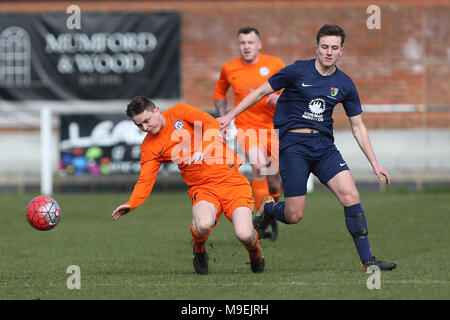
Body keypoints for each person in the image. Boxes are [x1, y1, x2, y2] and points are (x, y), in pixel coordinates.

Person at [218, 24, 396, 271]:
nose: (328, 52)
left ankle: (367, 261)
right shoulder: (297, 70)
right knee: (294, 215)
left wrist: (375, 164)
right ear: (317, 47)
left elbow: (358, 127)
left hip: (324, 147)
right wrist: (230, 116)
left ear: (341, 51)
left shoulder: (345, 84)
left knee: (351, 195)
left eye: (334, 48)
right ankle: (268, 208)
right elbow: (260, 91)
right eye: (324, 47)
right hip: (294, 146)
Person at [112, 96, 265, 274]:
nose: (145, 128)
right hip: (203, 189)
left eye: (146, 121)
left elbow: (211, 124)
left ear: (157, 111)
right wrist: (131, 203)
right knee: (203, 225)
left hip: (232, 183)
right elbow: (145, 180)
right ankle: (199, 250)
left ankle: (255, 252)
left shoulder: (180, 111)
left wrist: (203, 149)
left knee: (245, 234)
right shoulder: (150, 147)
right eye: (139, 125)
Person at [214, 26, 285, 240]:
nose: (246, 47)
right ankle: (262, 216)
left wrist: (281, 97)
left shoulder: (274, 64)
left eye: (250, 42)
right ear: (238, 45)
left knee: (273, 180)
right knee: (258, 166)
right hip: (247, 129)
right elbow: (219, 92)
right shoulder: (229, 68)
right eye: (242, 43)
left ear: (259, 44)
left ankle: (270, 215)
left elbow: (293, 87)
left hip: (274, 129)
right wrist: (223, 117)